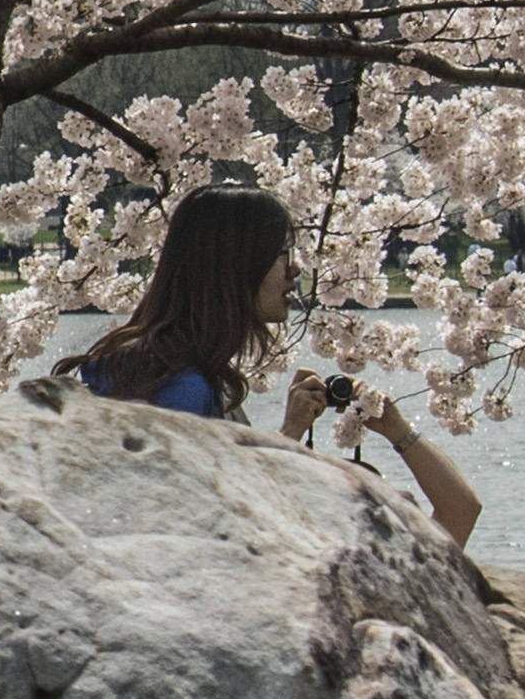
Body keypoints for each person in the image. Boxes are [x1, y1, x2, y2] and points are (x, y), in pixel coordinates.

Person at [65, 171, 484, 544]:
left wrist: (289, 434)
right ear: (237, 263)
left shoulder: (166, 369)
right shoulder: (181, 387)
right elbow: (197, 533)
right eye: (283, 253)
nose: (295, 270)